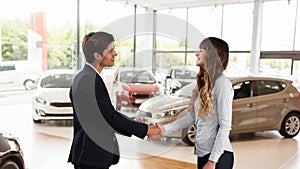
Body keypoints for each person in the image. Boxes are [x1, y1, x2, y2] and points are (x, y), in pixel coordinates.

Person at [68, 31, 161, 169]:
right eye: (111, 50)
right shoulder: (88, 80)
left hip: (92, 156)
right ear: (97, 55)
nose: (115, 54)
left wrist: (133, 121)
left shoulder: (87, 77)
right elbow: (109, 117)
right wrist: (145, 130)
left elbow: (105, 114)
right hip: (90, 157)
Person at [160, 37, 234, 169]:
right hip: (204, 154)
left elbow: (225, 126)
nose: (196, 53)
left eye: (201, 50)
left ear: (212, 55)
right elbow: (192, 117)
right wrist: (163, 129)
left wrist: (212, 161)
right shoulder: (205, 83)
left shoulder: (222, 84)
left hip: (218, 157)